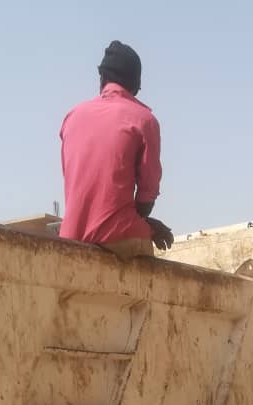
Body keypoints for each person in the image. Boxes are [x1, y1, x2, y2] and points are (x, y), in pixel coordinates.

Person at [59, 41, 173, 260]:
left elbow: (77, 183)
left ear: (102, 78)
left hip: (71, 235)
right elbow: (147, 195)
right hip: (119, 237)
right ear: (136, 85)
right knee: (149, 270)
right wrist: (145, 224)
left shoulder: (72, 117)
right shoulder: (144, 120)